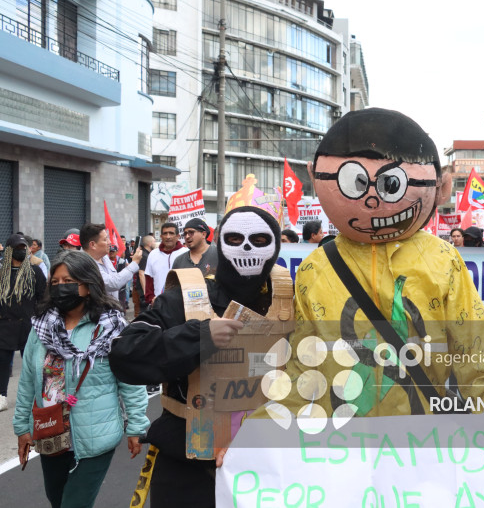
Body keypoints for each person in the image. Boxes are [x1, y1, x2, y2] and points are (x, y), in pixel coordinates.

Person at [247, 108, 484, 454]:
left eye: (389, 184)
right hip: (336, 453)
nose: (371, 198)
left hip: (420, 450)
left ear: (441, 187)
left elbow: (478, 355)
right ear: (316, 178)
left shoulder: (443, 261)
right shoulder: (316, 268)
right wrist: (259, 433)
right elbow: (301, 372)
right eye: (355, 182)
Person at [109, 206, 284, 508]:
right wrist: (198, 338)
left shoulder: (286, 301)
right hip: (187, 467)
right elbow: (125, 353)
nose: (246, 248)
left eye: (258, 239)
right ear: (220, 243)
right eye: (235, 238)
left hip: (264, 466)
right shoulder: (187, 297)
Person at [13, 251, 149, 508]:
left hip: (96, 437)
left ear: (87, 286)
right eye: (55, 282)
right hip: (51, 433)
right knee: (57, 500)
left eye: (68, 281)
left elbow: (131, 380)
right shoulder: (41, 328)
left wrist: (136, 426)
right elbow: (28, 382)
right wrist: (22, 427)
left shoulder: (113, 327)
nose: (60, 287)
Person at [0, 234, 47, 412]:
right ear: (10, 250)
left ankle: (37, 396)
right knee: (2, 362)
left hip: (28, 325)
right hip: (4, 325)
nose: (22, 251)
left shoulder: (35, 271)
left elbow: (43, 297)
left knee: (33, 363)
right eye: (18, 248)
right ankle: (1, 395)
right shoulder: (1, 272)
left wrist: (41, 318)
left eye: (24, 248)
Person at [80, 223, 142, 302]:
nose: (110, 242)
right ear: (92, 245)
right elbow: (113, 283)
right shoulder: (85, 264)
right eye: (105, 239)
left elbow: (115, 277)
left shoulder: (104, 256)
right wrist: (134, 263)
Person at [144, 223, 188, 306]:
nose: (168, 237)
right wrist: (151, 299)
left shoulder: (186, 253)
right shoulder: (153, 254)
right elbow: (149, 280)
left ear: (178, 236)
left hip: (180, 305)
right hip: (158, 305)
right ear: (161, 236)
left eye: (171, 233)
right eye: (165, 233)